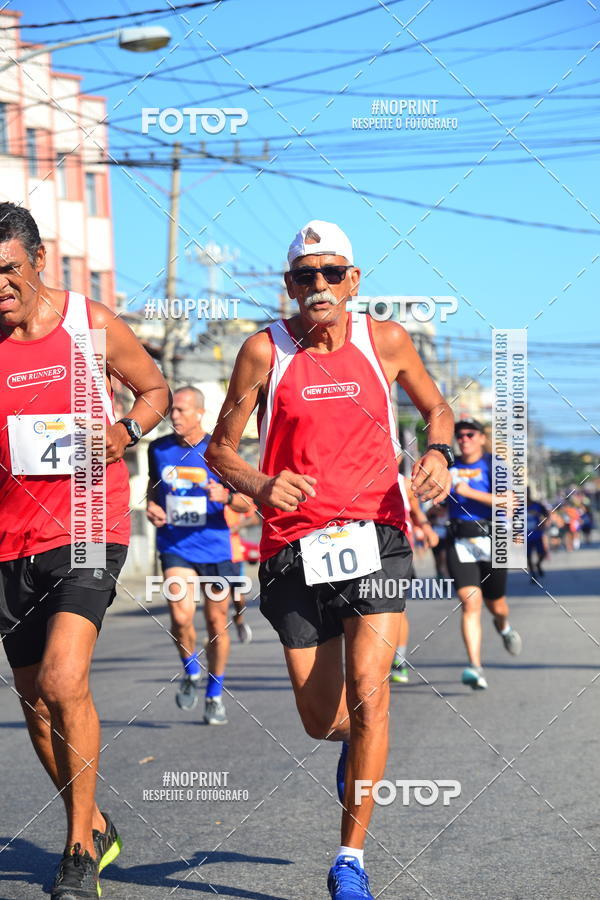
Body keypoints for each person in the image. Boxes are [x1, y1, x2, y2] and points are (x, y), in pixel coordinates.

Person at [206, 220, 454, 900]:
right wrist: (258, 484)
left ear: (354, 280)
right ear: (288, 286)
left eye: (332, 273)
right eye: (305, 276)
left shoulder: (387, 341)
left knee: (372, 696)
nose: (320, 285)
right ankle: (354, 742)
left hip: (377, 534)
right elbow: (220, 448)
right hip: (293, 550)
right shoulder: (264, 351)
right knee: (324, 720)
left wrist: (437, 455)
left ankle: (351, 859)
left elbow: (436, 411)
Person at [0, 203, 170, 899]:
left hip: (88, 522)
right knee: (35, 700)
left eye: (9, 270)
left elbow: (155, 389)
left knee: (65, 681)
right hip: (10, 541)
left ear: (39, 261)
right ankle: (95, 820)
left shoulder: (88, 325)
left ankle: (75, 850)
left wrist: (127, 429)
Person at [146, 386, 250, 726]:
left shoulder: (219, 452)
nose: (173, 416)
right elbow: (153, 491)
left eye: (181, 411)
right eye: (172, 410)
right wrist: (151, 507)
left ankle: (215, 693)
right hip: (175, 545)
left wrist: (225, 496)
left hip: (216, 548)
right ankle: (191, 670)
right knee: (180, 616)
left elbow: (247, 503)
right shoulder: (159, 450)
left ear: (200, 414)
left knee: (217, 624)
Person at [446, 418, 522, 690]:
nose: (463, 439)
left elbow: (509, 501)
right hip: (460, 540)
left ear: (480, 437)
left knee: (496, 604)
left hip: (493, 539)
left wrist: (470, 494)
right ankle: (475, 667)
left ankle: (503, 627)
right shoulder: (449, 465)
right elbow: (439, 499)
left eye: (469, 434)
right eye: (459, 435)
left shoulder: (494, 464)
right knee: (469, 602)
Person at [391, 461, 440, 684]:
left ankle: (399, 661)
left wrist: (427, 527)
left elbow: (416, 512)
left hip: (396, 553)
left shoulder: (404, 483)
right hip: (361, 554)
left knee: (396, 609)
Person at [225, 501, 260, 642]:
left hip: (234, 554)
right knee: (219, 598)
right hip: (210, 554)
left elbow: (254, 518)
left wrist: (236, 527)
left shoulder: (233, 495)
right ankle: (217, 635)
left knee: (238, 596)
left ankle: (238, 618)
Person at [526, 488, 549, 581]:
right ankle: (533, 574)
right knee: (528, 556)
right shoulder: (517, 506)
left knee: (542, 553)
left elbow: (547, 514)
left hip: (537, 534)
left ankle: (538, 564)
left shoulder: (537, 505)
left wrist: (543, 524)